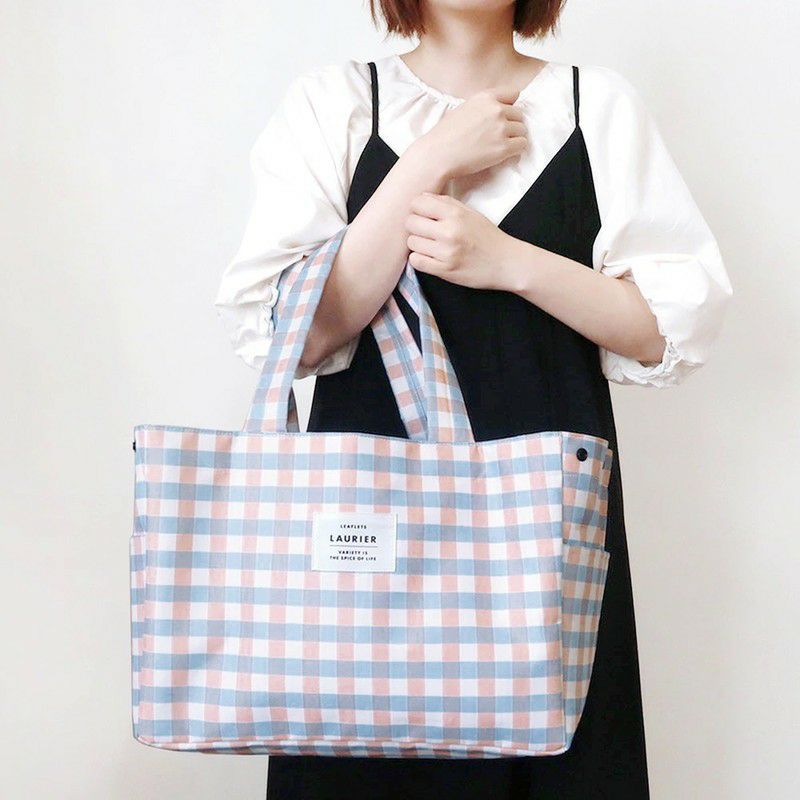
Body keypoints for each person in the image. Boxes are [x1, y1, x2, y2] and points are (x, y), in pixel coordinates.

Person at [215, 1, 732, 797]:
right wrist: (428, 161)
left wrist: (507, 261)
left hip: (546, 539)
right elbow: (300, 335)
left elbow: (661, 330)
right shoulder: (337, 102)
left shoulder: (595, 106)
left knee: (554, 756)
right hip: (366, 542)